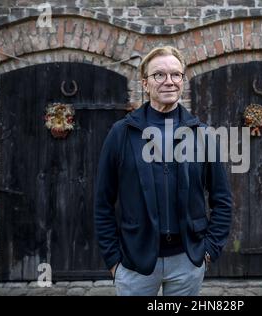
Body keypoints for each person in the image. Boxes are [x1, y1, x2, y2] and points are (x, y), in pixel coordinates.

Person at [94, 46, 232, 296]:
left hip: (187, 261)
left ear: (182, 81)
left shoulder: (202, 135)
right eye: (159, 75)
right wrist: (114, 261)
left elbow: (222, 200)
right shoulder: (121, 133)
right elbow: (102, 202)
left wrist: (208, 252)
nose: (169, 81)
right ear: (145, 84)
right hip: (134, 263)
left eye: (176, 75)